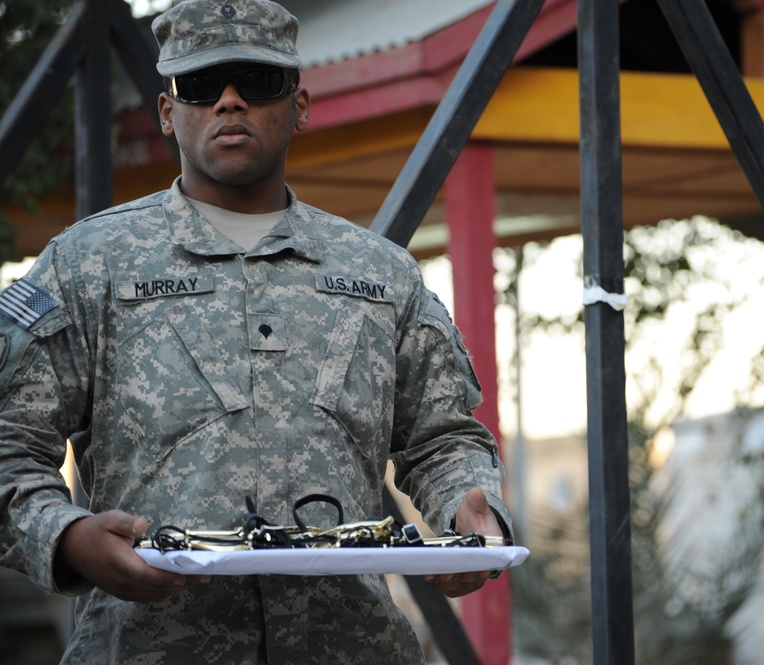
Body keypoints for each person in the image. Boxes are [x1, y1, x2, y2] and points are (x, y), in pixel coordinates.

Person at [0, 1, 512, 662]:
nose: (230, 102)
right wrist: (67, 536)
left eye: (257, 82)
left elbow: (443, 438)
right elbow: (10, 445)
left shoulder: (380, 274)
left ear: (299, 106)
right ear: (167, 112)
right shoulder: (87, 266)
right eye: (203, 86)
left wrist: (470, 511)